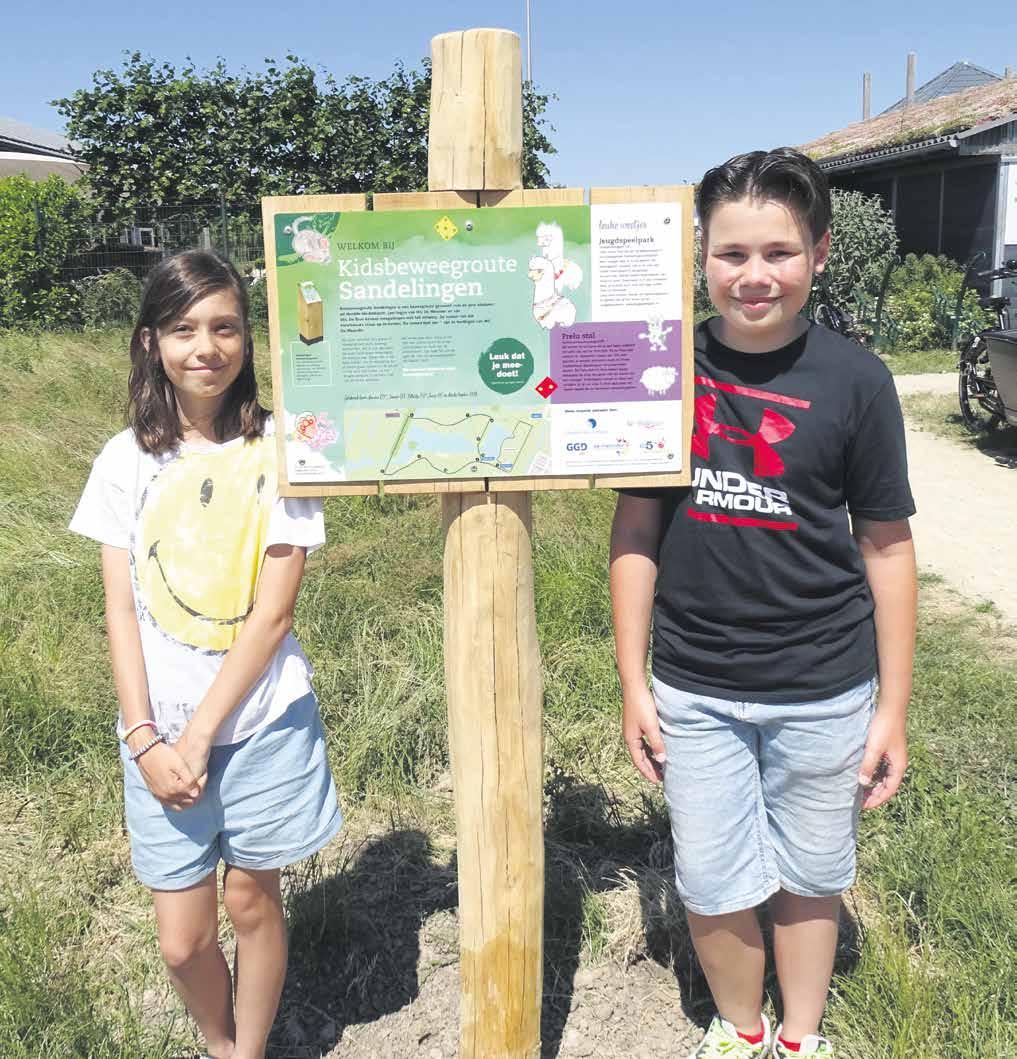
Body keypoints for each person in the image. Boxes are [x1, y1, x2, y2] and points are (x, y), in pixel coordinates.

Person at [610, 149, 916, 1058]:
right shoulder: (661, 369)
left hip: (824, 684)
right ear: (700, 256)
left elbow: (886, 546)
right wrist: (633, 681)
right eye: (731, 253)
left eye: (778, 252)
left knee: (810, 874)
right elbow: (635, 534)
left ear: (818, 253)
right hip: (694, 685)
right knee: (710, 878)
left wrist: (891, 707)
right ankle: (739, 1030)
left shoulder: (857, 380)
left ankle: (799, 1037)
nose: (754, 275)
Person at [70, 250, 341, 1059]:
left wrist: (199, 736)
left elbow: (273, 612)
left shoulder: (285, 449)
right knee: (182, 940)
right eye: (184, 329)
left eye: (225, 327)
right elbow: (120, 607)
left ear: (248, 339)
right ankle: (217, 1039)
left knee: (253, 903)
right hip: (157, 739)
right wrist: (144, 736)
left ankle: (243, 1052)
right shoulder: (125, 459)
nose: (206, 347)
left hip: (264, 726)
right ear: (150, 341)